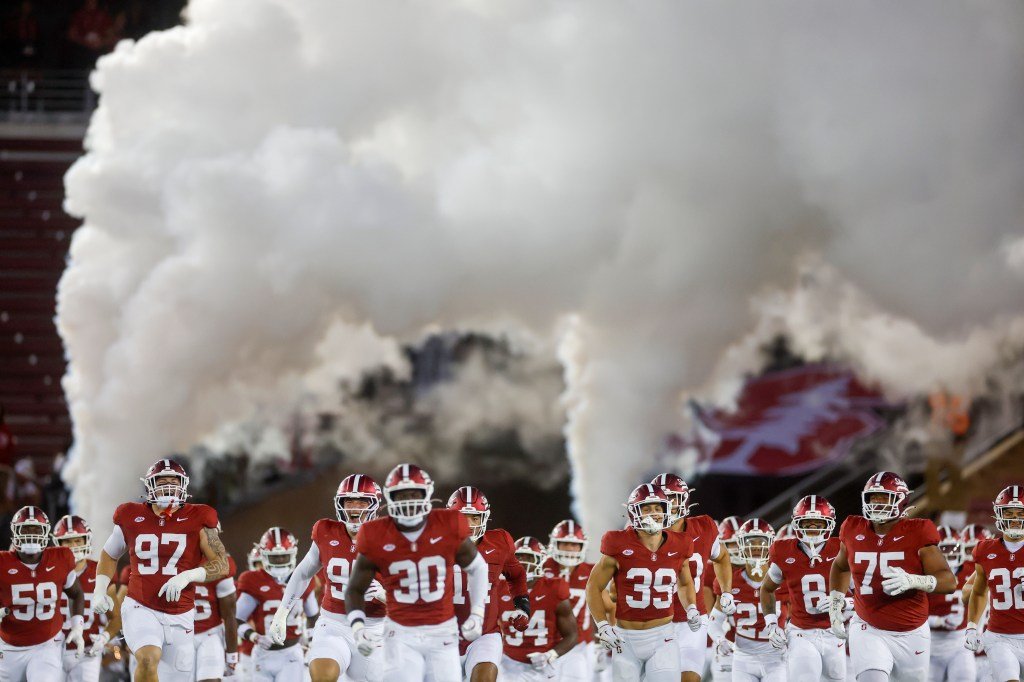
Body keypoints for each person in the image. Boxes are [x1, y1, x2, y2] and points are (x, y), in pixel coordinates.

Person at [343, 463, 490, 682]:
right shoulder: (375, 534)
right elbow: (355, 589)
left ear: (427, 494)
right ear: (390, 497)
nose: (409, 501)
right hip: (400, 633)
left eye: (414, 494)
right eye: (402, 495)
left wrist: (477, 613)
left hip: (442, 633)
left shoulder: (447, 524)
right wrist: (357, 627)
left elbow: (478, 567)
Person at [92, 459, 228, 682]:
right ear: (150, 486)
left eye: (174, 482)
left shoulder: (199, 517)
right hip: (140, 605)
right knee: (147, 658)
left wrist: (188, 576)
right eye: (162, 482)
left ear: (183, 485)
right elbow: (109, 554)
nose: (168, 487)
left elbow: (221, 564)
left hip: (181, 613)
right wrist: (99, 589)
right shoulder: (130, 515)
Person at [828, 471, 956, 682]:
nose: (877, 504)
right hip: (868, 627)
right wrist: (835, 603)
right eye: (873, 498)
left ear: (901, 500)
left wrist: (915, 580)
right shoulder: (852, 528)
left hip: (912, 631)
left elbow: (949, 581)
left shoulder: (918, 531)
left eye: (884, 498)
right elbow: (840, 566)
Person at [270, 474, 387, 682]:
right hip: (334, 624)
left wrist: (386, 595)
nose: (354, 508)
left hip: (374, 627)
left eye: (361, 502)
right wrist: (282, 612)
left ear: (375, 505)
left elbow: (413, 592)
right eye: (349, 502)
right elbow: (303, 572)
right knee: (322, 675)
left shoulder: (390, 537)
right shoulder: (326, 532)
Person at [585, 483, 702, 681]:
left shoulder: (681, 543)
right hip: (625, 639)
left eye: (658, 508)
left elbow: (684, 582)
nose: (653, 513)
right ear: (634, 512)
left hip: (663, 637)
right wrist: (602, 625)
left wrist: (691, 607)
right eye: (646, 508)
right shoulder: (618, 543)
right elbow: (593, 587)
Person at [652, 473, 735, 682]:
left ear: (684, 499)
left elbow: (722, 556)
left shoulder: (704, 528)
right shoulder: (640, 534)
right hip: (653, 622)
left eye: (672, 498)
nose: (668, 504)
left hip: (692, 622)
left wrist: (726, 591)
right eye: (662, 499)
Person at [447, 486, 530, 682]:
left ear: (484, 518)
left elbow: (517, 575)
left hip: (484, 634)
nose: (469, 525)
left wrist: (523, 606)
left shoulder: (500, 543)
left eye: (474, 518)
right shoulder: (434, 544)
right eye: (463, 518)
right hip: (442, 636)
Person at [760, 495, 845, 682]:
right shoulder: (783, 551)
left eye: (818, 523)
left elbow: (861, 591)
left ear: (829, 524)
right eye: (807, 523)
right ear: (797, 523)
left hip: (835, 631)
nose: (812, 528)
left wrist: (843, 602)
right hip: (801, 632)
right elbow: (766, 589)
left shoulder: (841, 549)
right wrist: (772, 624)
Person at [0, 506, 86, 680]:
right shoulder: (3, 563)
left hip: (47, 645)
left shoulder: (61, 558)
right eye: (25, 529)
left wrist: (77, 626)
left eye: (36, 529)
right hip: (9, 647)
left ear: (46, 532)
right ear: (15, 532)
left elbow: (76, 593)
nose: (31, 535)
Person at [237, 528, 318, 682]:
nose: (280, 561)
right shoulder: (252, 580)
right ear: (264, 556)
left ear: (293, 554)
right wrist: (253, 636)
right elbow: (237, 619)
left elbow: (313, 617)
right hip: (262, 653)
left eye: (284, 556)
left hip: (291, 653)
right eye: (275, 557)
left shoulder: (304, 579)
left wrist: (312, 643)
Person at [708, 519, 784, 682]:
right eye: (750, 542)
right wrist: (720, 640)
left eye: (761, 542)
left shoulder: (785, 579)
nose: (756, 547)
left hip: (777, 657)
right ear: (741, 544)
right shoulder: (730, 581)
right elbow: (714, 621)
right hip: (742, 657)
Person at [498, 536, 577, 680]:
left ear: (541, 560)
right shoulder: (499, 588)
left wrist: (550, 655)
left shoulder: (554, 588)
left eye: (529, 557)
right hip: (507, 662)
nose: (523, 562)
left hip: (544, 663)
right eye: (519, 556)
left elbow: (571, 635)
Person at [966, 485, 1024, 682]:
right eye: (1009, 512)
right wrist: (972, 627)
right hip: (1000, 638)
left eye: (1020, 513)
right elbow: (979, 591)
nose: (1015, 519)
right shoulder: (985, 550)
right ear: (999, 514)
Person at [53, 514, 121, 682]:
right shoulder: (48, 571)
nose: (73, 546)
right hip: (51, 650)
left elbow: (116, 617)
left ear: (87, 540)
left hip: (87, 651)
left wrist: (104, 638)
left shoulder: (100, 573)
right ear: (58, 544)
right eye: (68, 541)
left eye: (78, 540)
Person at [542, 519, 597, 681]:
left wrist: (600, 641)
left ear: (582, 546)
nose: (569, 549)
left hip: (582, 644)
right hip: (547, 642)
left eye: (574, 545)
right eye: (565, 544)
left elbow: (604, 607)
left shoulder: (592, 572)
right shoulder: (541, 568)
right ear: (555, 544)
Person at [926, 525, 974, 681]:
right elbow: (912, 614)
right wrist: (938, 621)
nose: (950, 553)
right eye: (944, 549)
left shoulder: (972, 572)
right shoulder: (924, 574)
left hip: (960, 643)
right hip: (931, 644)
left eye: (953, 548)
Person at [193, 546, 238, 682]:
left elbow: (230, 615)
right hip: (178, 634)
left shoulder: (219, 563)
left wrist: (232, 655)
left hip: (209, 634)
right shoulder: (169, 561)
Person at [239, 544, 263, 681]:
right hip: (249, 650)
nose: (261, 568)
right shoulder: (245, 586)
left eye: (263, 564)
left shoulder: (283, 587)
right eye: (258, 564)